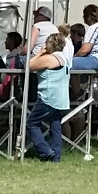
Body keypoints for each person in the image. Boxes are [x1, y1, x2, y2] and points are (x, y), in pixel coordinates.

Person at [26, 30, 71, 162]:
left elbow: (28, 65)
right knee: (55, 126)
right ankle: (56, 157)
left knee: (31, 123)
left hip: (49, 98)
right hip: (62, 100)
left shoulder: (50, 59)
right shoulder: (64, 58)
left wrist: (40, 53)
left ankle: (46, 152)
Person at [74, 3, 98, 70]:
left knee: (70, 63)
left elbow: (85, 50)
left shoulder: (93, 28)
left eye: (84, 15)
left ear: (89, 16)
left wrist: (75, 57)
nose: (83, 17)